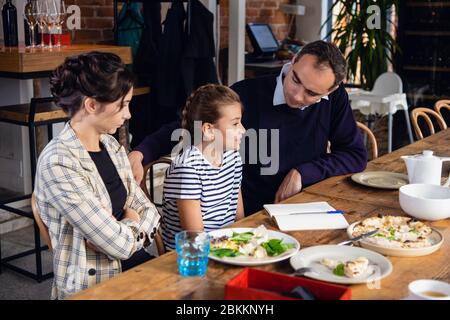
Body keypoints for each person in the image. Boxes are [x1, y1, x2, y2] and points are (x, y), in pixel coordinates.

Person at [128, 40, 367, 216]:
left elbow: (354, 155)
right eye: (295, 79)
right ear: (292, 61)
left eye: (311, 93)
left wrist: (303, 172)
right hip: (252, 210)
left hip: (308, 205)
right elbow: (191, 126)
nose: (296, 94)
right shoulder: (247, 93)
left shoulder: (336, 100)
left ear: (331, 91)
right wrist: (142, 152)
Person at [34, 52, 160, 300]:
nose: (129, 114)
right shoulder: (58, 162)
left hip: (136, 265)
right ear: (91, 105)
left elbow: (151, 212)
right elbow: (119, 245)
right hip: (96, 283)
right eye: (122, 105)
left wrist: (126, 225)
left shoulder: (111, 146)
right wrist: (133, 222)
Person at [161, 84, 245, 250]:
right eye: (235, 124)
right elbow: (195, 235)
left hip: (226, 246)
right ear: (209, 130)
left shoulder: (232, 157)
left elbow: (239, 219)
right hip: (190, 255)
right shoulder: (188, 168)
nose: (243, 129)